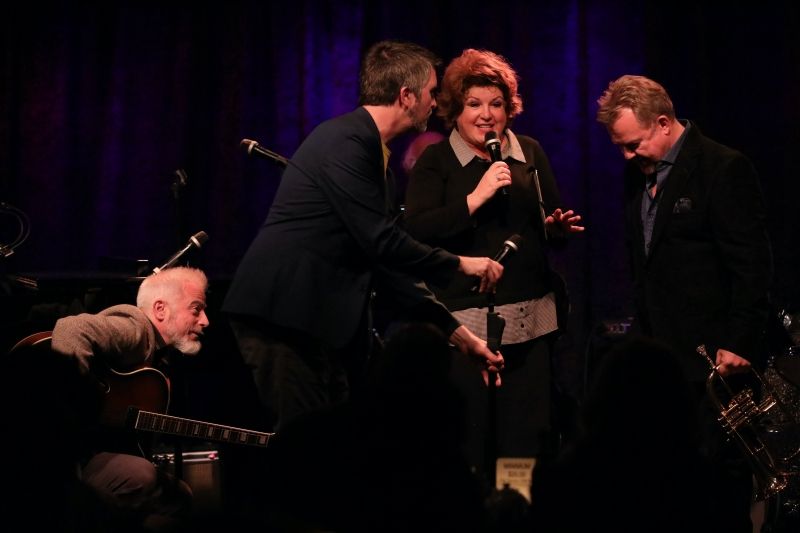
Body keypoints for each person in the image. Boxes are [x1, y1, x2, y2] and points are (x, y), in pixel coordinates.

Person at [222, 40, 505, 435]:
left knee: (339, 444)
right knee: (309, 447)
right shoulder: (347, 143)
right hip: (282, 318)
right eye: (430, 91)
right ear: (406, 96)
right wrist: (459, 263)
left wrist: (460, 337)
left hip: (315, 326)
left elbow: (389, 266)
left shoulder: (377, 161)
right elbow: (383, 242)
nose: (435, 101)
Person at [596, 74, 773, 532]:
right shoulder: (636, 174)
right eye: (620, 146)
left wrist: (739, 342)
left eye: (633, 144)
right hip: (665, 359)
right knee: (670, 483)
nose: (626, 156)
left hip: (717, 361)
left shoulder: (721, 167)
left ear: (663, 123)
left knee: (721, 479)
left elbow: (752, 266)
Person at [402, 48, 584, 486]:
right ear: (455, 110)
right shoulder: (437, 161)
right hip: (467, 328)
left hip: (531, 324)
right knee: (470, 437)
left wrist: (556, 227)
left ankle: (515, 516)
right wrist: (475, 198)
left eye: (497, 104)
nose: (487, 115)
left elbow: (545, 225)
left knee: (524, 440)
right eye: (475, 104)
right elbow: (417, 232)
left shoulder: (530, 153)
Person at [49, 266, 210, 531]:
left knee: (177, 497)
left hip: (87, 457)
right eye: (196, 309)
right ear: (160, 309)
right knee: (142, 477)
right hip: (62, 461)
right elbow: (71, 328)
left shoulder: (160, 358)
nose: (205, 320)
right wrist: (75, 407)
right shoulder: (135, 327)